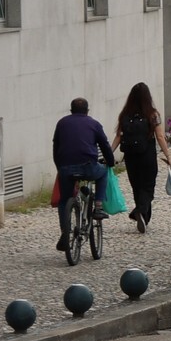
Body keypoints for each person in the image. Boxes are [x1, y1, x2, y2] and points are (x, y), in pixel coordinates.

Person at [51, 98, 115, 254]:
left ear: (71, 110)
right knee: (103, 173)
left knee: (64, 201)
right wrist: (111, 162)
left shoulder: (61, 123)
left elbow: (55, 146)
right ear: (87, 111)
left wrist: (60, 167)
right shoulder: (94, 124)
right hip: (88, 167)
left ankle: (65, 232)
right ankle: (98, 207)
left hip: (65, 169)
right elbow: (105, 145)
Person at [113, 82, 171, 234]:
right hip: (147, 155)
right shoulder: (153, 114)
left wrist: (109, 152)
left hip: (130, 157)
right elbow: (159, 136)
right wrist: (168, 156)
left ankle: (143, 217)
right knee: (148, 187)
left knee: (137, 187)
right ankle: (140, 211)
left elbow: (119, 136)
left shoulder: (125, 115)